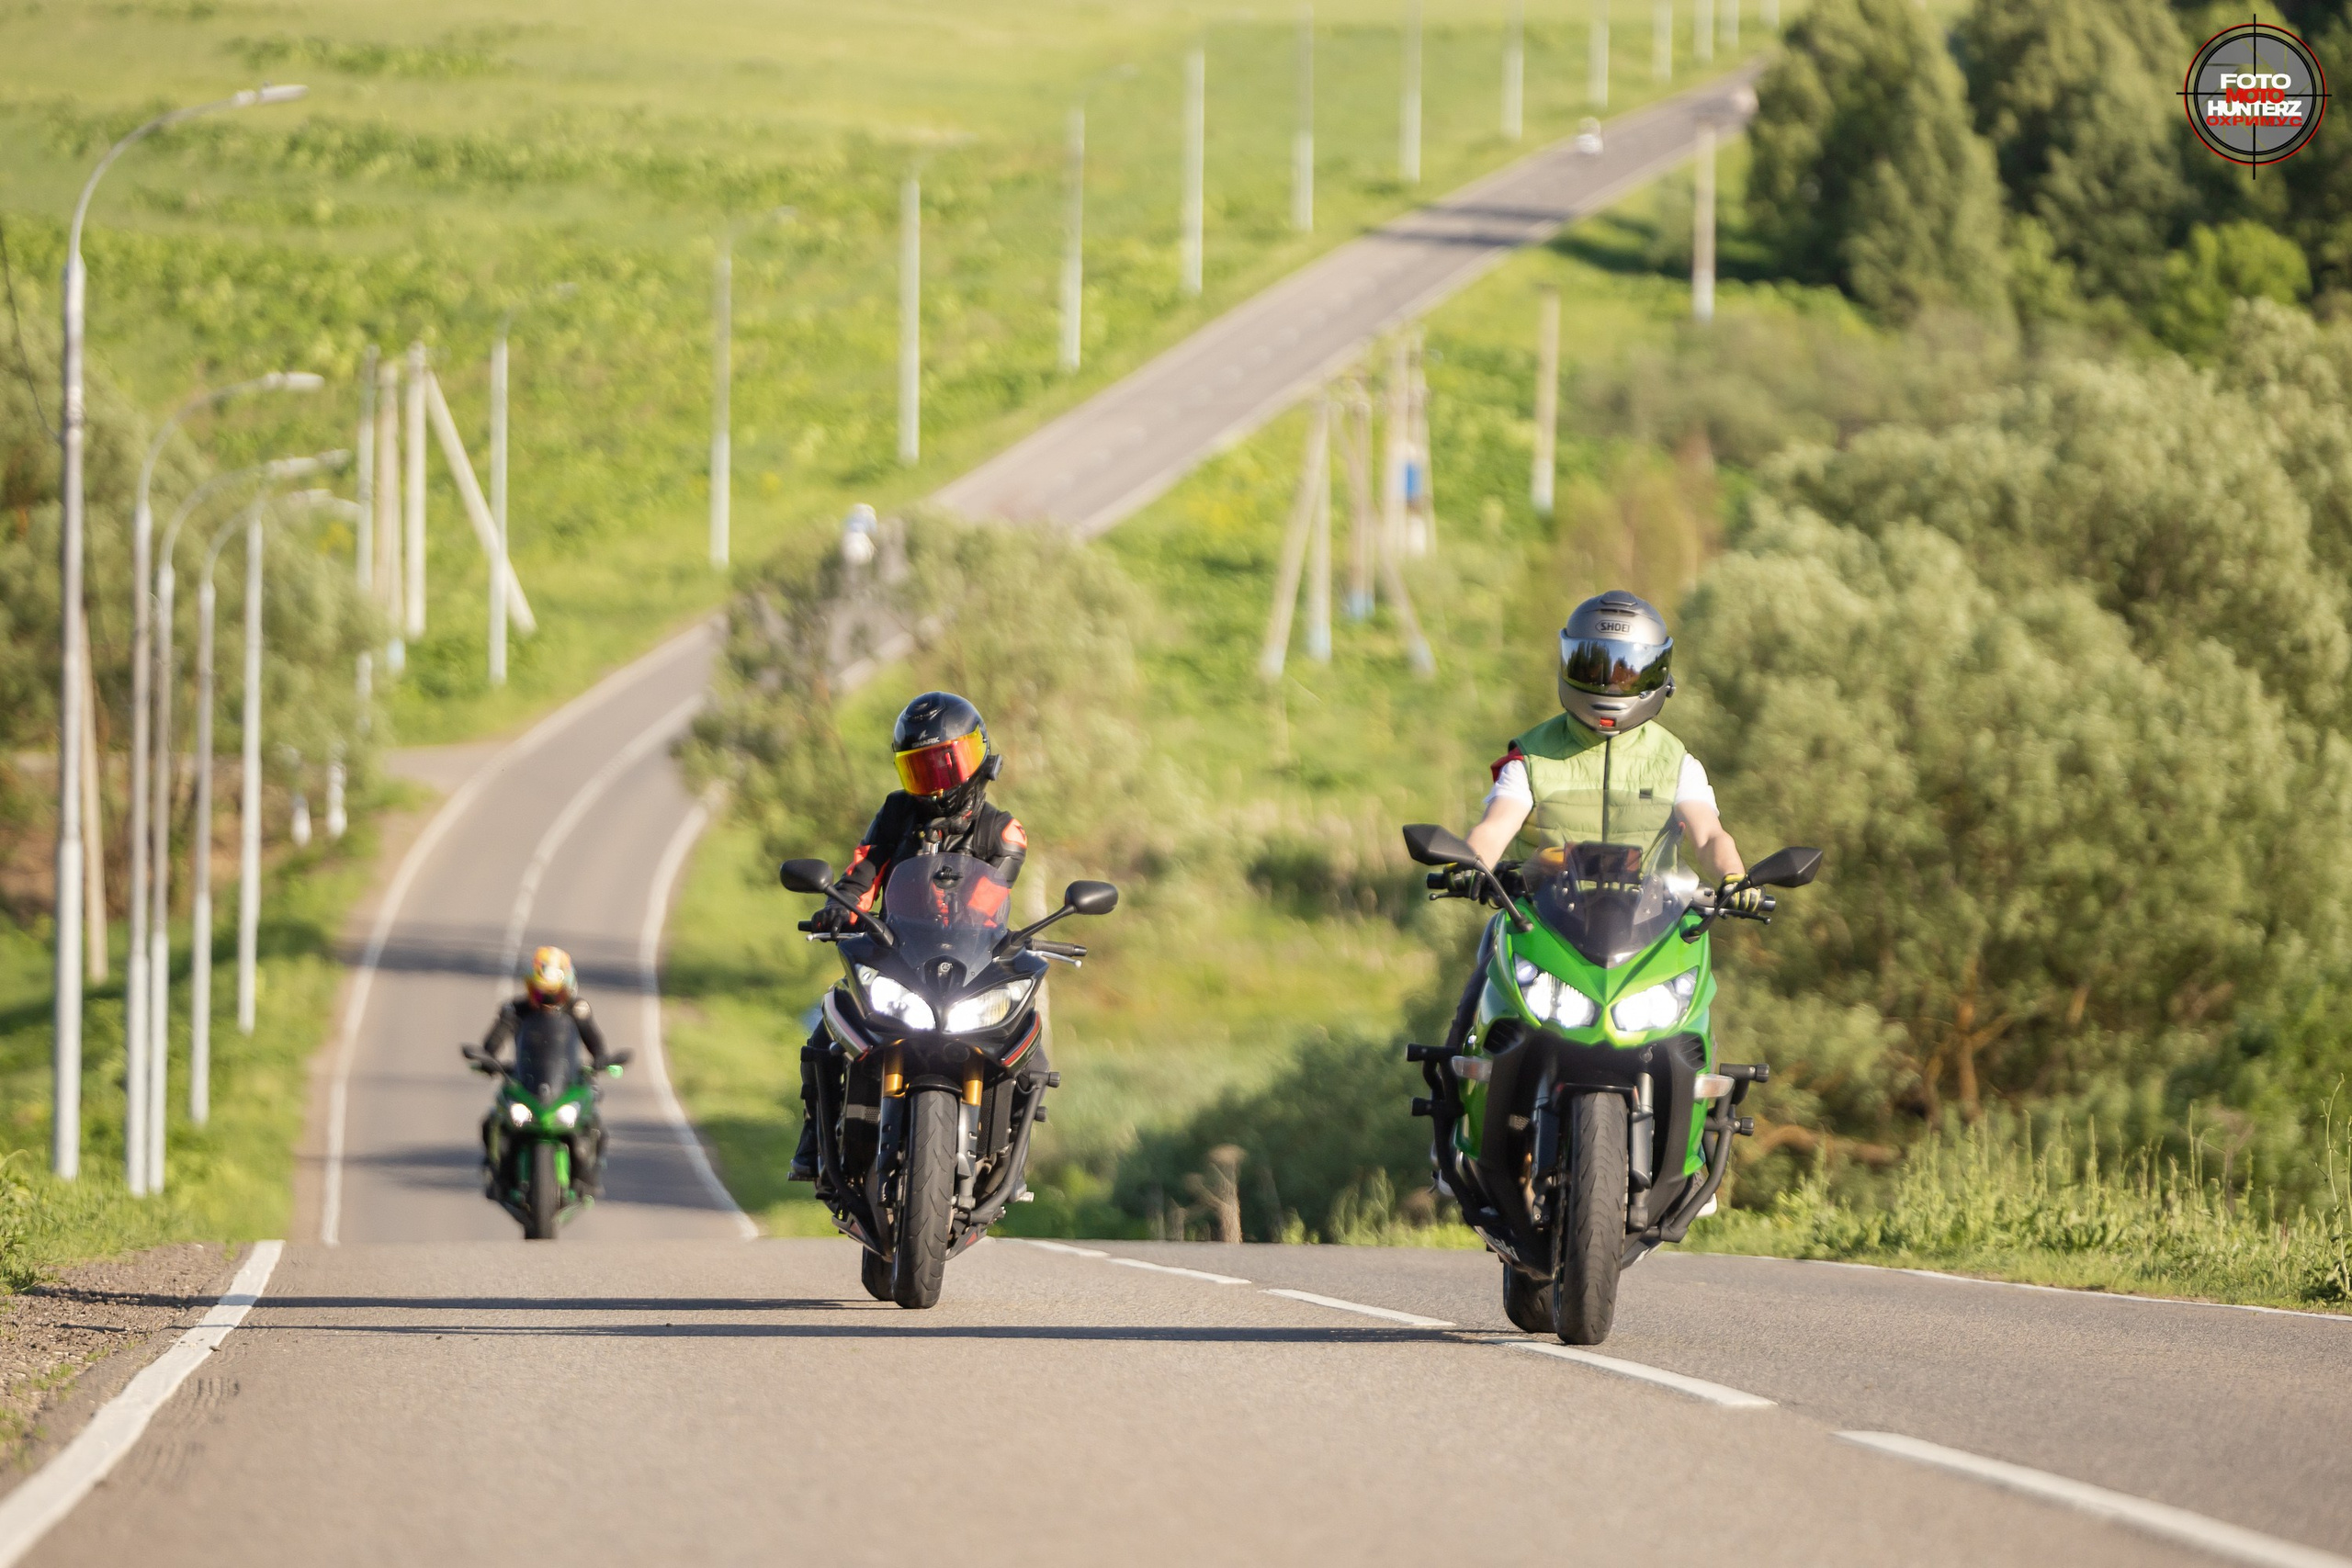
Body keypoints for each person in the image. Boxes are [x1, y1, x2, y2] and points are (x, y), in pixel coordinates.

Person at [787, 692, 1027, 1183]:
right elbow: (865, 869)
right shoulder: (897, 811)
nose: (935, 785)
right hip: (897, 953)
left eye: (944, 765)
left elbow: (984, 903)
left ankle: (1009, 1164)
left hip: (968, 962)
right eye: (921, 770)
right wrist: (841, 905)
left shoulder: (1003, 832)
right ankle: (814, 1143)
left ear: (976, 754)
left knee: (1030, 1047)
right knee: (827, 1029)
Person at [1462, 590, 1754, 896]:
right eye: (1593, 670)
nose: (1609, 684)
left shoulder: (1676, 763)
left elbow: (1708, 836)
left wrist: (1733, 878)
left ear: (1659, 675)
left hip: (1650, 925)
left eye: (1626, 675)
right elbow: (1495, 827)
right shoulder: (1530, 757)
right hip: (1538, 920)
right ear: (1566, 666)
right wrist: (1470, 864)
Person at [477, 944, 614, 1193]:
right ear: (530, 989)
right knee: (491, 1122)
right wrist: (488, 1059)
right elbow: (493, 1042)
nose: (548, 1003)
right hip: (526, 1082)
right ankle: (496, 1171)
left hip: (564, 1083)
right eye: (541, 996)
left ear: (568, 989)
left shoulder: (578, 1010)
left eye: (556, 996)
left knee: (596, 1125)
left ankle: (589, 1175)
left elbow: (596, 1044)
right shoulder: (515, 1010)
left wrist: (602, 1060)